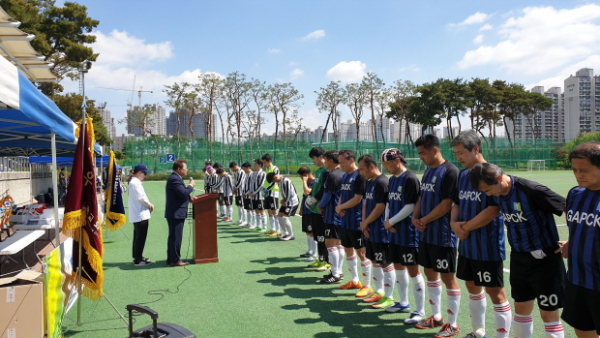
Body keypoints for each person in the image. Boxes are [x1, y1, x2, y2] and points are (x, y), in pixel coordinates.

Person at [469, 163, 566, 338]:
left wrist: (573, 240)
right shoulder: (496, 193)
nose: (488, 195)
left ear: (499, 179)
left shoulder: (532, 190)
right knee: (521, 309)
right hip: (519, 258)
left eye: (488, 190)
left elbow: (567, 207)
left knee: (548, 313)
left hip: (545, 260)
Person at [450, 131, 511, 338]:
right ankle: (478, 333)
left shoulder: (491, 173)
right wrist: (454, 224)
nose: (458, 157)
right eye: (456, 153)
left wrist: (465, 228)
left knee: (495, 292)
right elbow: (457, 202)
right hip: (467, 244)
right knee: (472, 286)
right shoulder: (463, 175)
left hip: (488, 245)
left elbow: (494, 210)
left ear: (476, 149)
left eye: (461, 153)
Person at [411, 134, 461, 337]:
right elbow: (422, 196)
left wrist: (425, 220)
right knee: (430, 274)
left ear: (435, 150)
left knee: (448, 278)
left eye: (423, 153)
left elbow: (447, 203)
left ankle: (453, 324)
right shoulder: (428, 171)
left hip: (443, 235)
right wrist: (415, 217)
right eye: (419, 154)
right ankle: (437, 316)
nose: (421, 157)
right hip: (426, 234)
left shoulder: (450, 171)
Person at [380, 148, 426, 320]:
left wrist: (390, 222)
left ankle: (420, 310)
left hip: (408, 233)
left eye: (386, 163)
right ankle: (403, 302)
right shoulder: (392, 180)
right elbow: (389, 203)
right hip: (393, 232)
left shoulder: (410, 179)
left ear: (396, 161)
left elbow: (411, 206)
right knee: (398, 267)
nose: (385, 167)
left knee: (413, 271)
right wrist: (387, 220)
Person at [562, 142, 600, 338]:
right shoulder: (575, 194)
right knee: (583, 330)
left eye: (583, 170)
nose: (578, 175)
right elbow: (576, 226)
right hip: (577, 279)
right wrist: (571, 242)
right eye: (575, 170)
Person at [335, 149, 372, 297]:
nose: (341, 165)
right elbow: (342, 196)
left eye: (343, 162)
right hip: (345, 221)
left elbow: (357, 199)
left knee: (362, 253)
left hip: (357, 222)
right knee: (348, 250)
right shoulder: (344, 177)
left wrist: (341, 207)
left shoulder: (360, 176)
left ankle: (367, 285)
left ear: (351, 160)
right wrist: (339, 208)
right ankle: (355, 280)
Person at [358, 155, 393, 309]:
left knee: (385, 263)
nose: (361, 173)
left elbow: (380, 207)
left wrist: (366, 222)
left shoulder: (382, 182)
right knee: (375, 261)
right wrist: (364, 224)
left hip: (380, 231)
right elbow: (366, 203)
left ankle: (389, 296)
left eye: (362, 169)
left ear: (372, 167)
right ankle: (378, 292)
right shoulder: (370, 183)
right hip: (370, 230)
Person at [318, 150, 345, 284]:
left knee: (330, 244)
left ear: (330, 161)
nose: (323, 162)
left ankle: (336, 273)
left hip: (332, 214)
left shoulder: (333, 175)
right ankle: (338, 271)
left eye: (325, 159)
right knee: (338, 244)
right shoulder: (342, 174)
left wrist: (321, 205)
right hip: (339, 214)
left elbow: (327, 195)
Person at [165, 160, 195, 267]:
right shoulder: (174, 179)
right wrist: (191, 186)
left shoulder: (176, 178)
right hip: (175, 213)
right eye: (185, 168)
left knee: (174, 237)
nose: (187, 170)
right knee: (176, 237)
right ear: (179, 169)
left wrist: (189, 198)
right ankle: (174, 260)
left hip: (176, 212)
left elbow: (180, 194)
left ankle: (172, 259)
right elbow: (183, 192)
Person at [307, 147, 330, 272]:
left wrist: (314, 199)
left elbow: (324, 190)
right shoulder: (318, 171)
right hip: (314, 210)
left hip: (321, 210)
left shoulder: (327, 171)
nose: (313, 161)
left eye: (313, 158)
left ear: (321, 157)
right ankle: (320, 258)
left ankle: (326, 261)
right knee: (317, 237)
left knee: (323, 237)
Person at [128, 163, 154, 266]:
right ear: (139, 173)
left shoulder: (134, 182)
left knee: (138, 237)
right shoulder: (135, 183)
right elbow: (141, 198)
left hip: (139, 214)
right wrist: (149, 205)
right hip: (140, 214)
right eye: (144, 173)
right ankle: (138, 260)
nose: (145, 176)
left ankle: (137, 256)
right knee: (140, 238)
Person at [266, 172, 299, 240]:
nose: (274, 182)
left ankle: (291, 235)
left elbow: (289, 192)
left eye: (273, 181)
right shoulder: (279, 180)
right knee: (279, 216)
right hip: (286, 202)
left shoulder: (286, 181)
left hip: (292, 202)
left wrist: (285, 200)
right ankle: (286, 233)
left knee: (284, 218)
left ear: (275, 178)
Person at [297, 166, 317, 260]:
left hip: (312, 211)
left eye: (302, 177)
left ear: (305, 175)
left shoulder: (314, 183)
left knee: (312, 232)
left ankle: (315, 254)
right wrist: (301, 208)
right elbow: (304, 197)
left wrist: (304, 181)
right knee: (308, 232)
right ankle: (310, 251)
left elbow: (307, 192)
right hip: (306, 211)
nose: (302, 179)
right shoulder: (308, 182)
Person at [262, 154, 281, 236]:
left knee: (274, 211)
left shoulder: (275, 169)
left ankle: (278, 230)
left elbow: (274, 181)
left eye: (265, 162)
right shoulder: (267, 169)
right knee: (269, 210)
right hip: (267, 192)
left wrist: (266, 189)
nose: (264, 164)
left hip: (273, 192)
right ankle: (273, 229)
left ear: (269, 161)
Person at [248, 159, 267, 231]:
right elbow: (251, 184)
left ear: (260, 165)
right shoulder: (253, 173)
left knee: (261, 210)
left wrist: (254, 192)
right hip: (253, 196)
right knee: (256, 210)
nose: (254, 165)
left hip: (260, 196)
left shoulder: (263, 173)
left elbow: (261, 185)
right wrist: (250, 191)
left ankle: (264, 227)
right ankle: (259, 225)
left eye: (255, 164)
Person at [240, 162, 254, 227]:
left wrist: (246, 193)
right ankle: (248, 222)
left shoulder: (252, 175)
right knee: (248, 209)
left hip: (250, 195)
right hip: (245, 194)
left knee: (251, 209)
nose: (244, 170)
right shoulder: (246, 175)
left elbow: (252, 186)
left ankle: (253, 223)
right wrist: (243, 192)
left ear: (248, 167)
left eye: (244, 169)